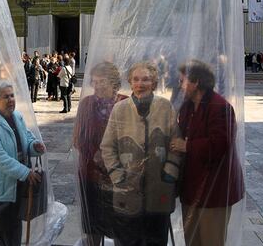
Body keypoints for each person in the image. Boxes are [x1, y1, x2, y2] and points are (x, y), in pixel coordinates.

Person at [100, 62, 182, 246]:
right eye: (136, 79)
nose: (140, 84)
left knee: (157, 238)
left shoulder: (165, 107)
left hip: (159, 188)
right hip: (127, 189)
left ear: (154, 82)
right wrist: (118, 176)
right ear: (130, 82)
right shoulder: (119, 109)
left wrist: (170, 172)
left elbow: (176, 144)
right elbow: (107, 146)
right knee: (127, 239)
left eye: (146, 79)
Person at [171, 59, 244, 246]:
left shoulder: (220, 107)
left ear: (196, 82)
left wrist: (187, 146)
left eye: (182, 80)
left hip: (214, 192)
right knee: (192, 241)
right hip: (191, 189)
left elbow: (221, 145)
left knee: (211, 241)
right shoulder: (187, 106)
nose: (179, 85)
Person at [0, 80, 46, 246]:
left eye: (12, 95)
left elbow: (26, 139)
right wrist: (25, 172)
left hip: (16, 187)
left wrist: (34, 146)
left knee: (14, 230)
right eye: (6, 97)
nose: (11, 99)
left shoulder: (17, 116)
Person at [73, 62, 127, 245]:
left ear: (114, 82)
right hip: (91, 174)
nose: (97, 86)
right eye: (94, 81)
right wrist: (96, 158)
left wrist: (112, 160)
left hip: (119, 175)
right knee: (92, 223)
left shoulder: (125, 102)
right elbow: (78, 138)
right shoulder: (87, 103)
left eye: (102, 81)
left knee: (120, 222)